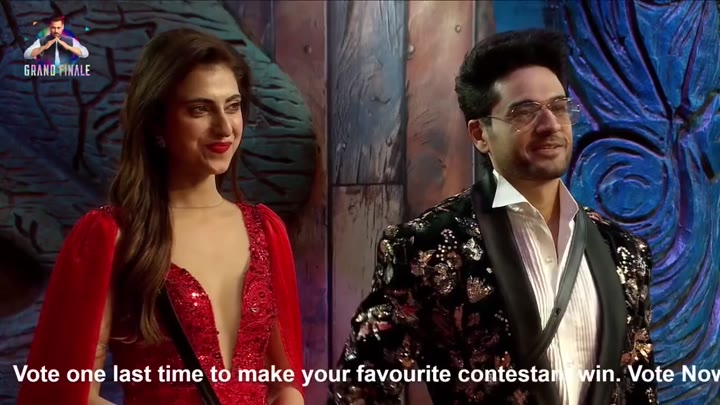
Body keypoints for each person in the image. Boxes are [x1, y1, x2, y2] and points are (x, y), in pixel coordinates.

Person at [328, 29, 657, 404]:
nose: (550, 125)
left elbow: (640, 387)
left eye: (558, 107)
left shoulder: (625, 252)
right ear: (479, 134)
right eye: (524, 112)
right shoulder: (425, 247)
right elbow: (360, 389)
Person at [18, 28, 304, 405]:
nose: (224, 127)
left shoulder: (265, 230)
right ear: (156, 122)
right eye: (200, 109)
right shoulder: (114, 235)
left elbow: (285, 383)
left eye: (232, 106)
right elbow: (68, 389)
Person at [23, 15, 89, 65]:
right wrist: (44, 47)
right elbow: (26, 54)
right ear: (49, 27)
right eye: (53, 28)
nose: (56, 31)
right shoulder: (41, 41)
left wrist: (69, 47)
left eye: (58, 28)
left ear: (62, 27)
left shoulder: (71, 40)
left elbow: (85, 53)